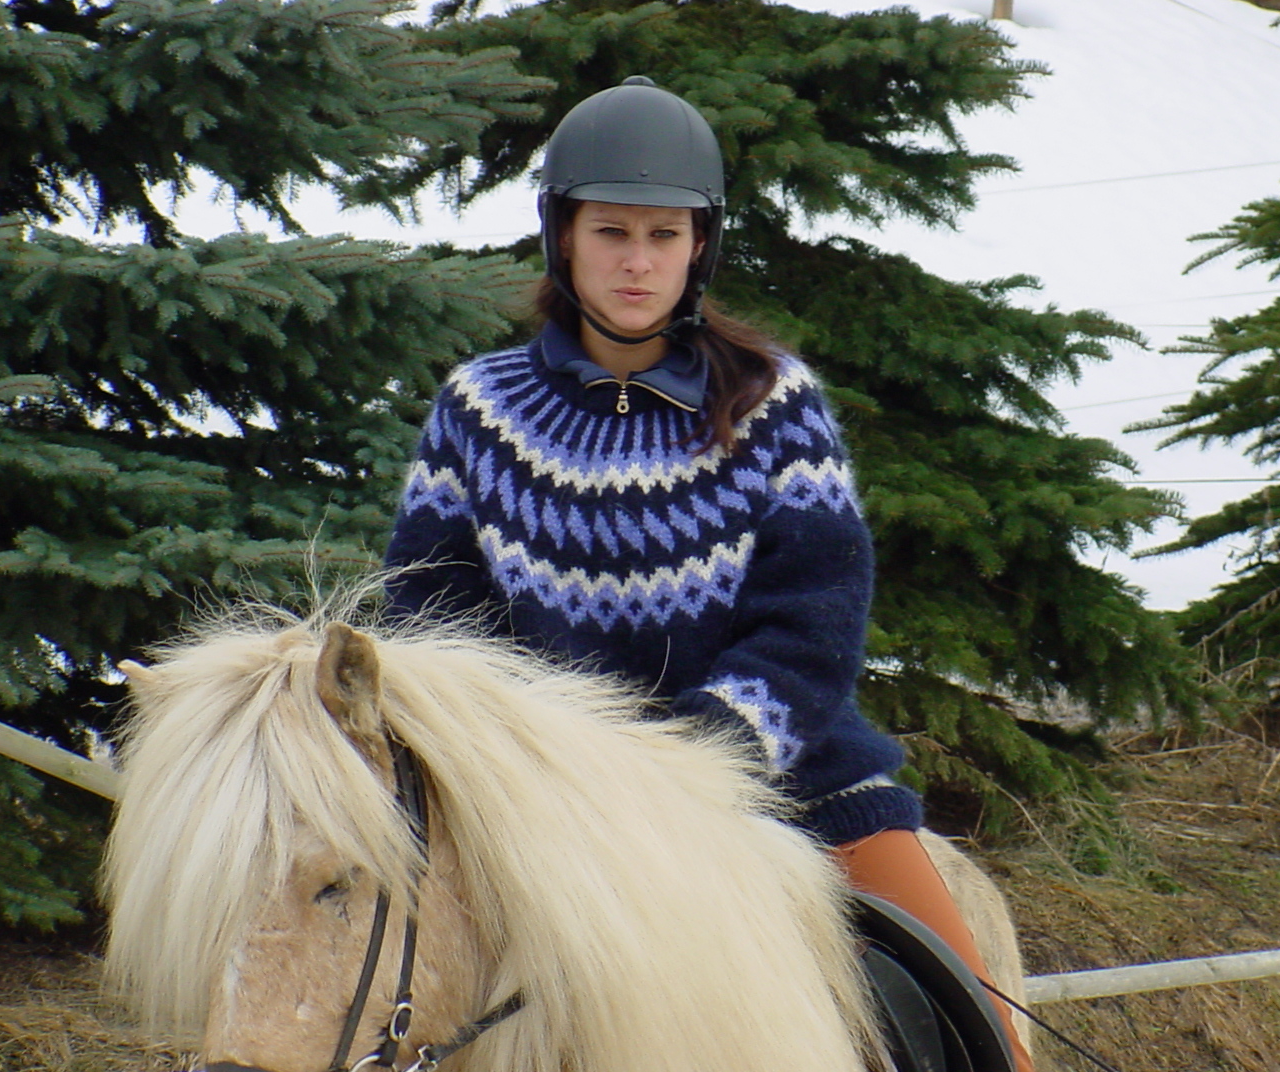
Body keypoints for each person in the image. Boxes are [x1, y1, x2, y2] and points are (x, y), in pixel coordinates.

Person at [383, 76, 1033, 1072]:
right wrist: (542, 771)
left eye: (664, 234)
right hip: (548, 809)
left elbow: (813, 619)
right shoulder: (478, 412)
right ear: (564, 236)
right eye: (611, 232)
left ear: (700, 245)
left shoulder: (774, 402)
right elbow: (434, 622)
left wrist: (699, 759)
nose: (637, 261)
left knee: (976, 1030)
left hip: (788, 781)